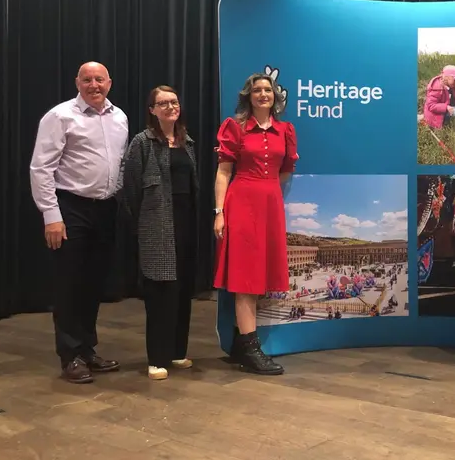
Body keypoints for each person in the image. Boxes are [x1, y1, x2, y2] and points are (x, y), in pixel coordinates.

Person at [29, 61, 128, 384]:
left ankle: (87, 350)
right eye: (87, 80)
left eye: (99, 79)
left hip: (105, 209)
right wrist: (51, 215)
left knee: (93, 284)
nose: (94, 85)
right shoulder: (59, 116)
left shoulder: (120, 117)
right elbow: (41, 169)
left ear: (109, 83)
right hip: (70, 208)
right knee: (69, 285)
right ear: (77, 82)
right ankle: (69, 355)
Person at [213, 72, 298, 375]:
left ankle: (242, 344)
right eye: (257, 90)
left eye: (268, 90)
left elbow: (285, 170)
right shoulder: (234, 128)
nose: (263, 94)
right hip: (241, 203)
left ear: (275, 96)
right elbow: (224, 172)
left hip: (270, 204)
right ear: (248, 95)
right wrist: (220, 211)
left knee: (261, 275)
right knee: (245, 278)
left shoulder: (285, 130)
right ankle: (250, 348)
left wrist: (268, 186)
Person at [120, 86, 199, 381]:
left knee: (181, 292)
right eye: (162, 103)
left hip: (186, 226)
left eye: (174, 102)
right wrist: (141, 228)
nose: (170, 107)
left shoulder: (187, 142)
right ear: (152, 109)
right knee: (159, 295)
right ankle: (157, 357)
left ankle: (178, 351)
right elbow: (129, 191)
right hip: (156, 228)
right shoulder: (142, 143)